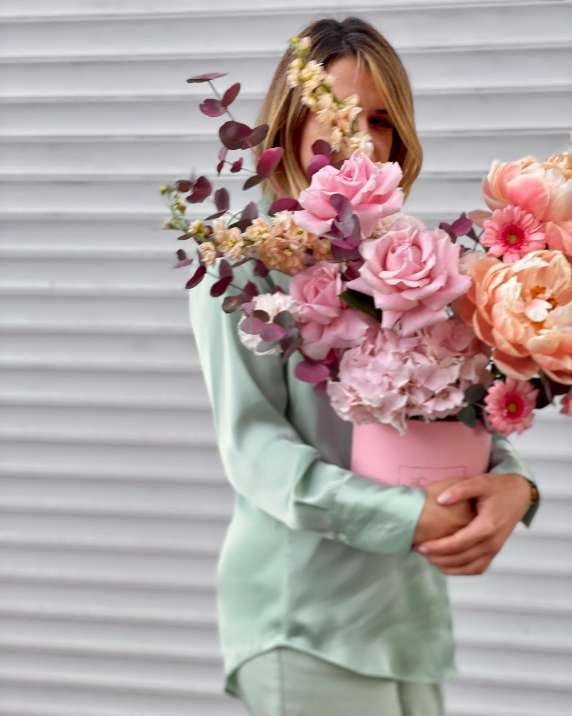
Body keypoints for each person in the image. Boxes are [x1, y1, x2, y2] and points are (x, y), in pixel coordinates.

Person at [188, 16, 540, 716]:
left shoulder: (414, 257)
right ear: (286, 128)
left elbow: (451, 411)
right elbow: (254, 451)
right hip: (305, 617)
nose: (362, 142)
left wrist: (514, 489)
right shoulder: (244, 269)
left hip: (406, 614)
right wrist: (405, 516)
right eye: (337, 121)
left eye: (381, 122)